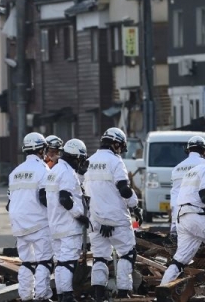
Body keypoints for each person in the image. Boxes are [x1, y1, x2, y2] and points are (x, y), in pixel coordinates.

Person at [160, 146, 205, 284]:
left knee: (180, 260)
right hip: (197, 216)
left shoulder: (196, 170)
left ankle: (163, 289)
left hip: (182, 217)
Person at [84, 128, 143, 300]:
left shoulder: (89, 161)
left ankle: (98, 295)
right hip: (117, 218)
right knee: (127, 254)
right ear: (116, 144)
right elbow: (124, 189)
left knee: (100, 257)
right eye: (120, 147)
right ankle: (123, 293)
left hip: (95, 219)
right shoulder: (115, 162)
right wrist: (135, 206)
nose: (120, 151)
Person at [8, 132, 54, 302]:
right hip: (38, 222)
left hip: (18, 223)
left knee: (27, 262)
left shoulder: (15, 172)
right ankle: (42, 296)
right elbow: (44, 197)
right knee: (44, 260)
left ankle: (25, 296)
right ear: (41, 150)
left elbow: (9, 201)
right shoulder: (43, 169)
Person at [43, 139, 90, 302]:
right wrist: (80, 216)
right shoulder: (67, 172)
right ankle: (68, 295)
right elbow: (65, 198)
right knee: (69, 261)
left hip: (55, 225)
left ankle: (64, 294)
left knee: (61, 262)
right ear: (77, 157)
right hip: (68, 226)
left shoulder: (54, 171)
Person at [169, 136, 205, 239]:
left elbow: (175, 192)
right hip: (197, 215)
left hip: (177, 217)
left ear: (187, 150)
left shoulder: (177, 168)